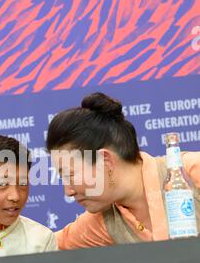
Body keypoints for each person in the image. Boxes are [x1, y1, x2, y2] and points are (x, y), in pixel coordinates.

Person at [46, 92, 200, 248]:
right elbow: (44, 246)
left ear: (105, 161)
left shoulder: (192, 171)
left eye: (70, 175)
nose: (68, 191)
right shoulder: (103, 222)